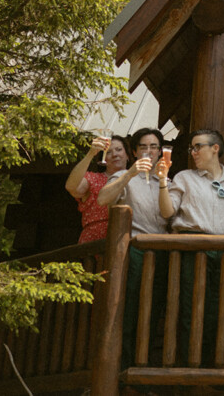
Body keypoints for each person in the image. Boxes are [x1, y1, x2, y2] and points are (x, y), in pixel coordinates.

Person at [157, 129, 224, 366]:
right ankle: (187, 369)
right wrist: (163, 181)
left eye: (198, 147)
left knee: (219, 312)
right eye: (191, 148)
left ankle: (211, 368)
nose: (193, 152)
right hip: (191, 247)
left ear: (215, 148)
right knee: (188, 310)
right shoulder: (184, 177)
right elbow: (167, 212)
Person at [97, 127, 168, 369]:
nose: (149, 151)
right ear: (135, 152)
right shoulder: (123, 177)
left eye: (154, 147)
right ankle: (125, 368)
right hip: (135, 252)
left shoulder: (166, 179)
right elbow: (102, 199)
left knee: (155, 310)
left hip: (162, 253)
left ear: (161, 151)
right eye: (144, 147)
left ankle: (146, 368)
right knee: (130, 311)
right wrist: (129, 174)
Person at [66, 133, 132, 243]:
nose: (115, 154)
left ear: (128, 155)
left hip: (127, 238)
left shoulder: (138, 179)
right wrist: (90, 154)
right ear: (103, 158)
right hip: (95, 241)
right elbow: (72, 187)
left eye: (119, 149)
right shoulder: (93, 178)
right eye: (109, 152)